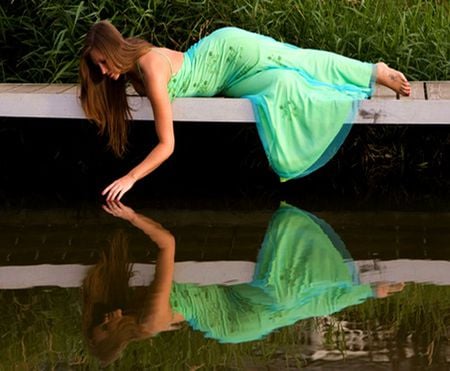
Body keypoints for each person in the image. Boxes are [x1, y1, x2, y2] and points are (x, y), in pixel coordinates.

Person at [79, 21, 411, 200]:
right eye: (99, 68)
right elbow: (103, 90)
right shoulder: (130, 66)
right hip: (226, 82)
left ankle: (373, 71)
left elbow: (168, 145)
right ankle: (357, 80)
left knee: (298, 59)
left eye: (104, 63)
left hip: (229, 53)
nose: (105, 72)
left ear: (114, 50)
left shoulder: (149, 68)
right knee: (285, 83)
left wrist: (130, 177)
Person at [82, 201, 404, 366]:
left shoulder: (141, 317)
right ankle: (366, 288)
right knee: (287, 293)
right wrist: (132, 216)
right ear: (117, 339)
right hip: (236, 319)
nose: (107, 318)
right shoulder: (148, 321)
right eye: (106, 328)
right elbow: (168, 242)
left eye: (100, 321)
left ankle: (370, 289)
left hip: (234, 319)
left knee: (297, 305)